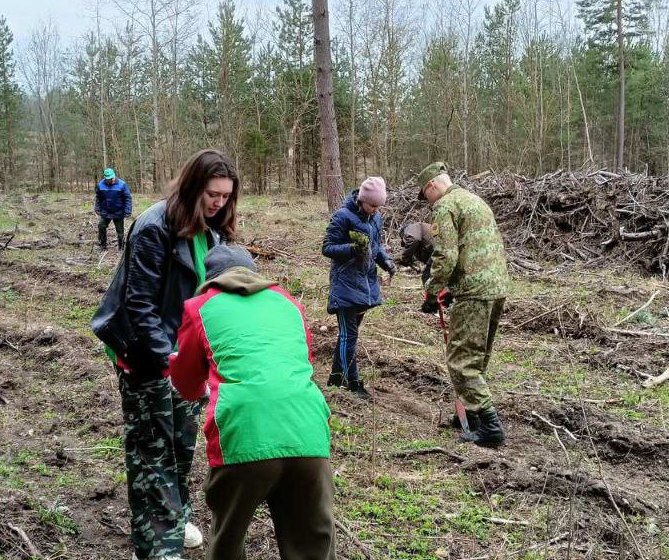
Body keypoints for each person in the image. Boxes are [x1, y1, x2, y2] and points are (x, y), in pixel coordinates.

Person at [91, 149, 240, 560]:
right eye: (212, 194)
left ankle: (173, 518)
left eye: (226, 196)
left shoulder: (211, 232)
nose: (218, 203)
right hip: (144, 355)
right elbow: (139, 306)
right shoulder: (154, 227)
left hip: (184, 358)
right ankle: (156, 546)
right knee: (151, 450)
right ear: (193, 187)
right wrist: (166, 361)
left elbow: (209, 299)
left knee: (180, 445)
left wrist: (201, 359)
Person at [168, 244, 335, 560]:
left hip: (244, 437)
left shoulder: (200, 307)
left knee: (228, 541)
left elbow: (187, 384)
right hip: (309, 433)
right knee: (313, 544)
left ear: (211, 278)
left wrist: (188, 372)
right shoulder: (288, 303)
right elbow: (303, 363)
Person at [417, 162, 509, 448]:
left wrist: (432, 293)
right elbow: (477, 249)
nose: (427, 201)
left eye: (425, 194)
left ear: (432, 185)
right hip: (496, 288)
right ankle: (472, 414)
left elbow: (445, 257)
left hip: (474, 292)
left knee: (461, 360)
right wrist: (451, 290)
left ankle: (490, 426)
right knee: (477, 356)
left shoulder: (445, 207)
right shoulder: (474, 200)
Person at [322, 177, 396, 400]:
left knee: (348, 336)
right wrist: (353, 249)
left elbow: (376, 247)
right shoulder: (343, 217)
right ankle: (353, 384)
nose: (375, 210)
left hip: (365, 285)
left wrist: (387, 263)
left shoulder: (375, 218)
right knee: (349, 335)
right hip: (345, 284)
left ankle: (336, 377)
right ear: (362, 200)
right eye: (372, 205)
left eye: (378, 206)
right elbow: (328, 248)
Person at [95, 167, 133, 251]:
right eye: (109, 179)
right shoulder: (100, 185)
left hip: (118, 211)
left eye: (112, 178)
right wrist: (97, 207)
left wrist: (128, 210)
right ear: (105, 178)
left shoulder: (122, 185)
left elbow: (127, 198)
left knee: (120, 233)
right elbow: (98, 197)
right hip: (105, 211)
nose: (111, 180)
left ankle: (122, 248)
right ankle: (102, 245)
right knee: (101, 226)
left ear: (114, 176)